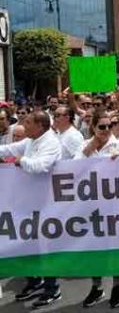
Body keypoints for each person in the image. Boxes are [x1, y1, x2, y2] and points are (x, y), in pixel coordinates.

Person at [0, 112, 62, 308]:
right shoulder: (30, 140)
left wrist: (21, 161)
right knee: (26, 244)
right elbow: (8, 149)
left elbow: (41, 166)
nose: (23, 126)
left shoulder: (50, 142)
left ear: (41, 126)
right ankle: (35, 281)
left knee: (45, 247)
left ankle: (53, 288)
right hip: (26, 202)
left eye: (27, 123)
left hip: (45, 203)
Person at [75, 112, 119, 308]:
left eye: (110, 125)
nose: (106, 130)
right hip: (92, 206)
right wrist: (88, 150)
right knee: (94, 249)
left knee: (116, 248)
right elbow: (72, 169)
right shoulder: (85, 145)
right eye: (102, 127)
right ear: (93, 128)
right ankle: (97, 287)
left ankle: (117, 287)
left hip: (115, 205)